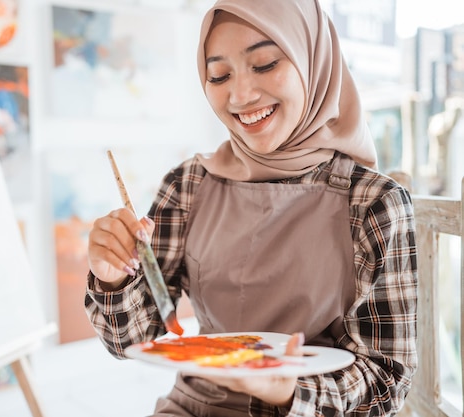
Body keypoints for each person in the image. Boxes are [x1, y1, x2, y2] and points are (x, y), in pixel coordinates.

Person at [84, 0, 418, 415]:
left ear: (313, 62)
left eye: (264, 64)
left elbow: (388, 377)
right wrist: (114, 280)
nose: (240, 95)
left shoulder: (375, 203)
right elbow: (134, 340)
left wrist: (287, 392)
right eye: (219, 75)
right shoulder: (187, 185)